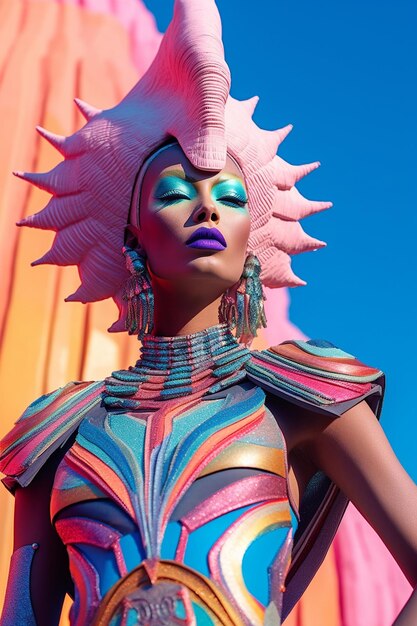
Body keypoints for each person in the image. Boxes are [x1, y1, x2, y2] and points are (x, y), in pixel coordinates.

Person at [0, 1, 416, 625]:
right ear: (132, 235)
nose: (207, 210)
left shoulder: (303, 398)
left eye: (229, 196)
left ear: (254, 234)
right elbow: (21, 616)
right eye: (173, 194)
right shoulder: (59, 430)